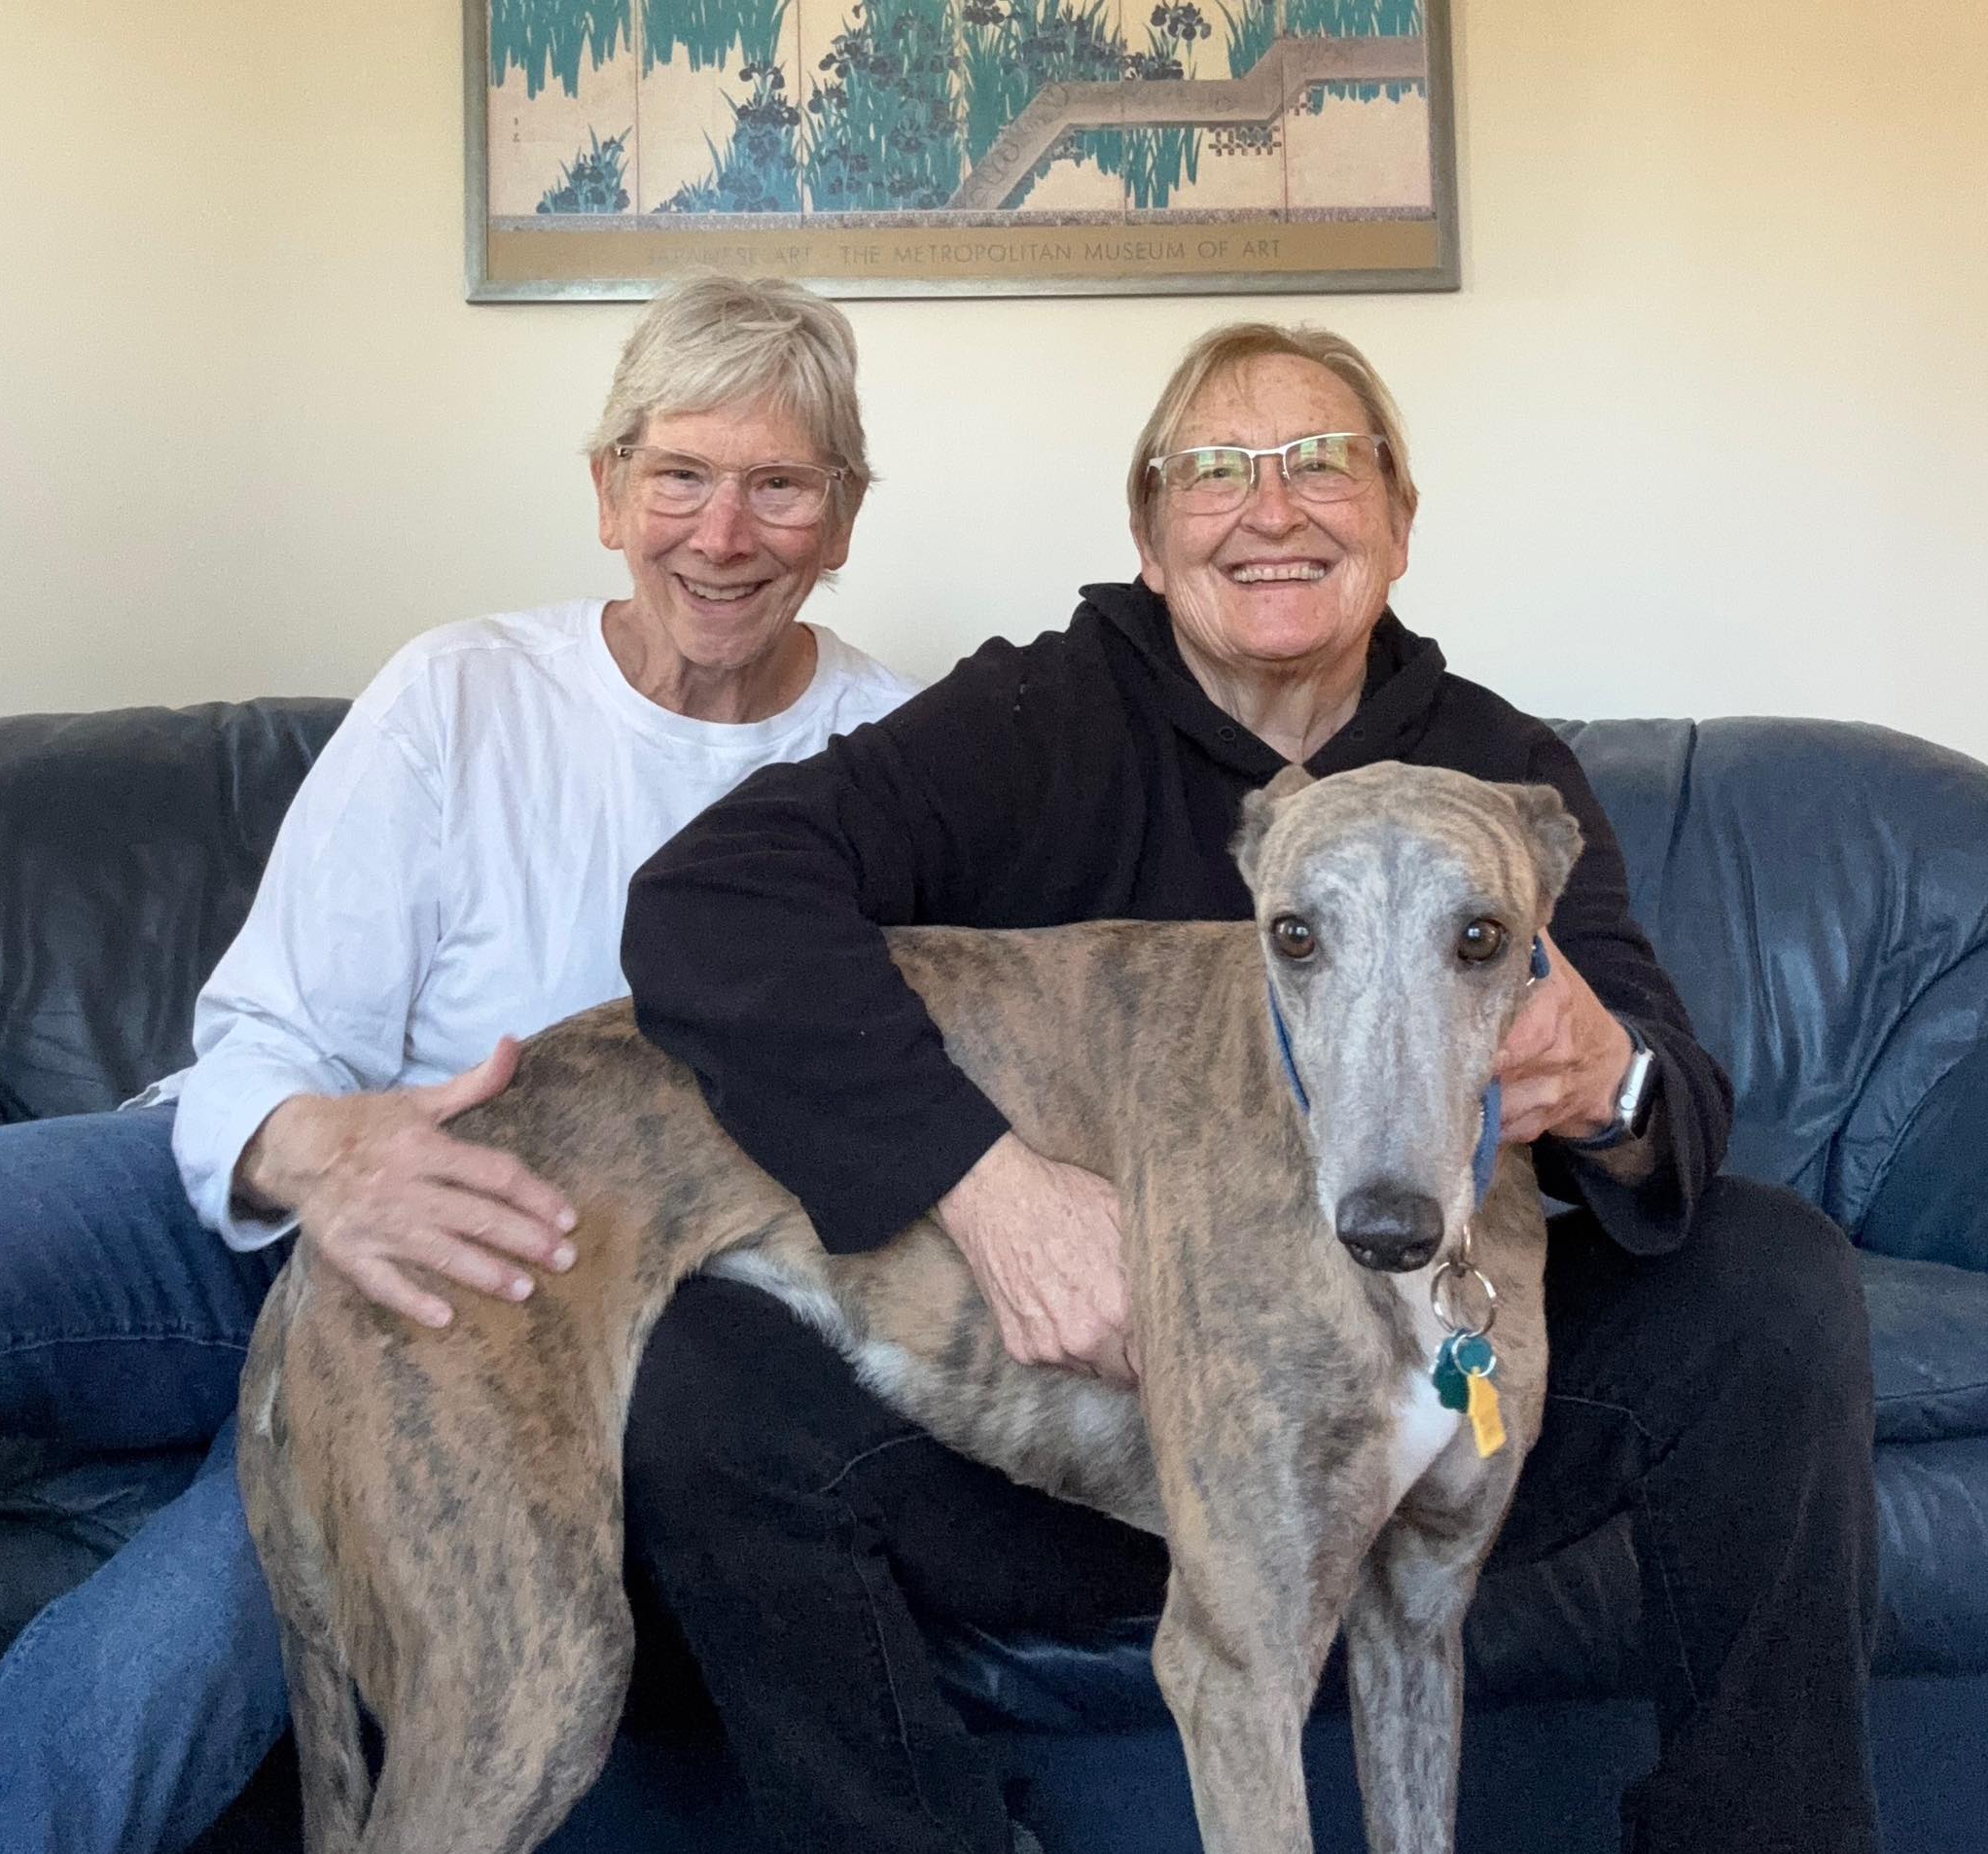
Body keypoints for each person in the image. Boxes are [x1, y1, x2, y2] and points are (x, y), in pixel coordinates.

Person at [621, 321, 1880, 1854]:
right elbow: (713, 899)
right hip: (1081, 1425)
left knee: (1777, 1280)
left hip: (1423, 1386)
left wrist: (1604, 1074)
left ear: (1400, 523)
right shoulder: (1031, 724)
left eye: (1323, 463)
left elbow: (1671, 1101)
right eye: (1214, 470)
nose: (1270, 508)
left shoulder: (1497, 778)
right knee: (703, 1376)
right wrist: (991, 1183)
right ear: (1151, 537)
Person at [0, 273, 918, 1854]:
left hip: (491, 1335)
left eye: (780, 485)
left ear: (841, 520)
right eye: (681, 474)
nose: (722, 530)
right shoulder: (463, 692)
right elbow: (269, 1032)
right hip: (280, 1191)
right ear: (608, 488)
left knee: (188, 1644)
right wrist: (327, 1154)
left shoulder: (898, 765)